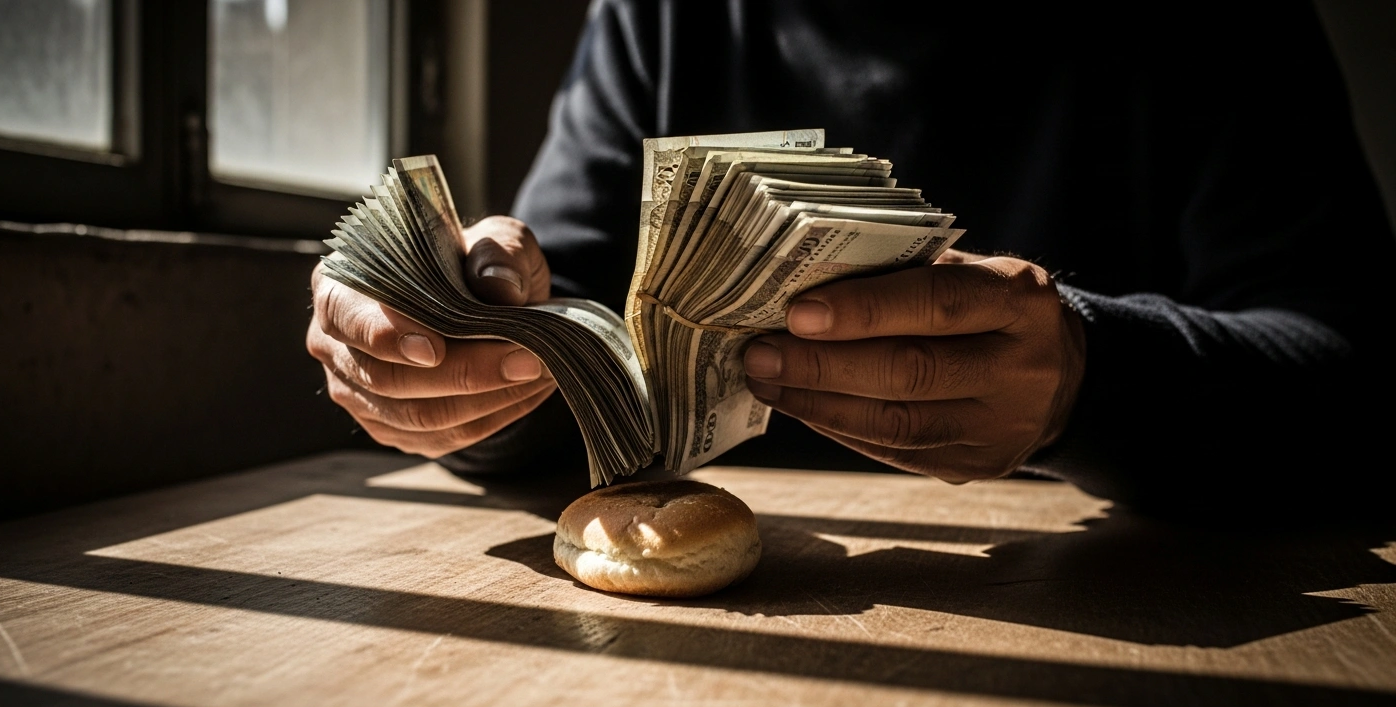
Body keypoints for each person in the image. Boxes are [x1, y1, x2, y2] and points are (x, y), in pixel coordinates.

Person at [307, 1, 1392, 515]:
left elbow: (1358, 376)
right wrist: (456, 355)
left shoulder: (1214, 26)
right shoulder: (658, 18)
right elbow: (561, 345)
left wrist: (1087, 382)